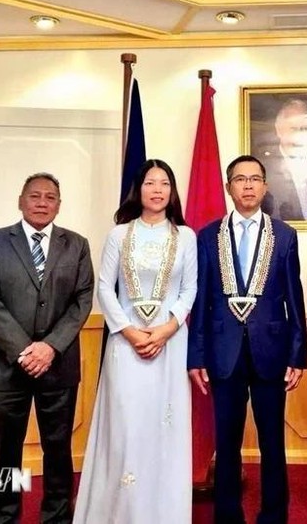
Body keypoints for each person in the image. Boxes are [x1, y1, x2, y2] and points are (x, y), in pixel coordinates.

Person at [73, 159, 198, 523]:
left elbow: (189, 289)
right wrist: (128, 331)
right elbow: (103, 288)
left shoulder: (185, 236)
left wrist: (165, 330)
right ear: (138, 189)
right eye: (150, 183)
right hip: (125, 346)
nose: (157, 190)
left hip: (170, 345)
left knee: (165, 430)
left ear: (172, 192)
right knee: (125, 428)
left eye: (164, 184)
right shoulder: (119, 234)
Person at [188, 154, 307, 524]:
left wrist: (297, 355)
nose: (248, 186)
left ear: (266, 186)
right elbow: (201, 300)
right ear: (229, 186)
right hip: (223, 354)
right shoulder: (207, 236)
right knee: (227, 442)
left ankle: (274, 514)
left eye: (255, 179)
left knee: (273, 441)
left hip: (271, 351)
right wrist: (196, 357)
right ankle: (227, 515)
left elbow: (294, 296)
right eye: (240, 179)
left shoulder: (284, 235)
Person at [0, 172, 94, 524]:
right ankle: (2, 517)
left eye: (51, 197)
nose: (42, 203)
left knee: (58, 452)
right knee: (4, 454)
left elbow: (82, 300)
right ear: (21, 201)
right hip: (4, 368)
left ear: (59, 204)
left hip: (58, 367)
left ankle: (57, 518)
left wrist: (50, 348)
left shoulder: (77, 244)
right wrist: (26, 350)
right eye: (35, 196)